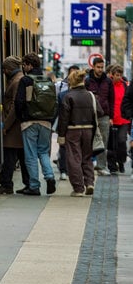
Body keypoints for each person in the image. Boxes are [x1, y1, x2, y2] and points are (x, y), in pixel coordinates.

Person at [14, 52, 57, 195]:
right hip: (46, 122)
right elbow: (54, 102)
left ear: (29, 65)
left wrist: (22, 118)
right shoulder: (48, 80)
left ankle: (34, 186)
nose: (23, 68)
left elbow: (19, 102)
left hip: (29, 122)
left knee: (31, 155)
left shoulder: (25, 80)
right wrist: (50, 119)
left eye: (24, 65)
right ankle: (50, 177)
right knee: (43, 151)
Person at [0, 56, 30, 194]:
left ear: (9, 68)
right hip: (17, 126)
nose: (3, 71)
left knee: (9, 156)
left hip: (14, 127)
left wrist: (5, 125)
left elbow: (15, 106)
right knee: (22, 156)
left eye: (4, 68)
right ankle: (29, 184)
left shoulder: (17, 81)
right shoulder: (18, 78)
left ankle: (6, 184)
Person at [58, 68, 98, 196]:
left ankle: (78, 188)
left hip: (73, 131)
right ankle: (90, 183)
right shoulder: (90, 95)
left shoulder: (68, 96)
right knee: (87, 157)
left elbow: (64, 118)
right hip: (89, 130)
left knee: (74, 158)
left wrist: (61, 135)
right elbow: (100, 112)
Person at [85, 57, 113, 174]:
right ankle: (87, 166)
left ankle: (101, 166)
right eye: (98, 67)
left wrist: (111, 117)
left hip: (104, 115)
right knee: (87, 141)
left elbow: (112, 99)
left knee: (103, 141)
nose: (100, 69)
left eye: (102, 67)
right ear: (93, 66)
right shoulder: (87, 80)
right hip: (90, 115)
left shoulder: (108, 81)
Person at [54, 65, 81, 181]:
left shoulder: (64, 94)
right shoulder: (61, 90)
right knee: (66, 148)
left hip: (72, 124)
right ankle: (65, 170)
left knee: (69, 148)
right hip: (70, 124)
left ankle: (68, 170)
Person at [108, 64, 130, 175]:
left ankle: (121, 162)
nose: (119, 77)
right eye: (117, 75)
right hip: (112, 119)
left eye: (120, 75)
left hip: (123, 119)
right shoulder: (109, 85)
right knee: (112, 143)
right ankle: (112, 165)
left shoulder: (125, 86)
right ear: (112, 75)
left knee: (122, 141)